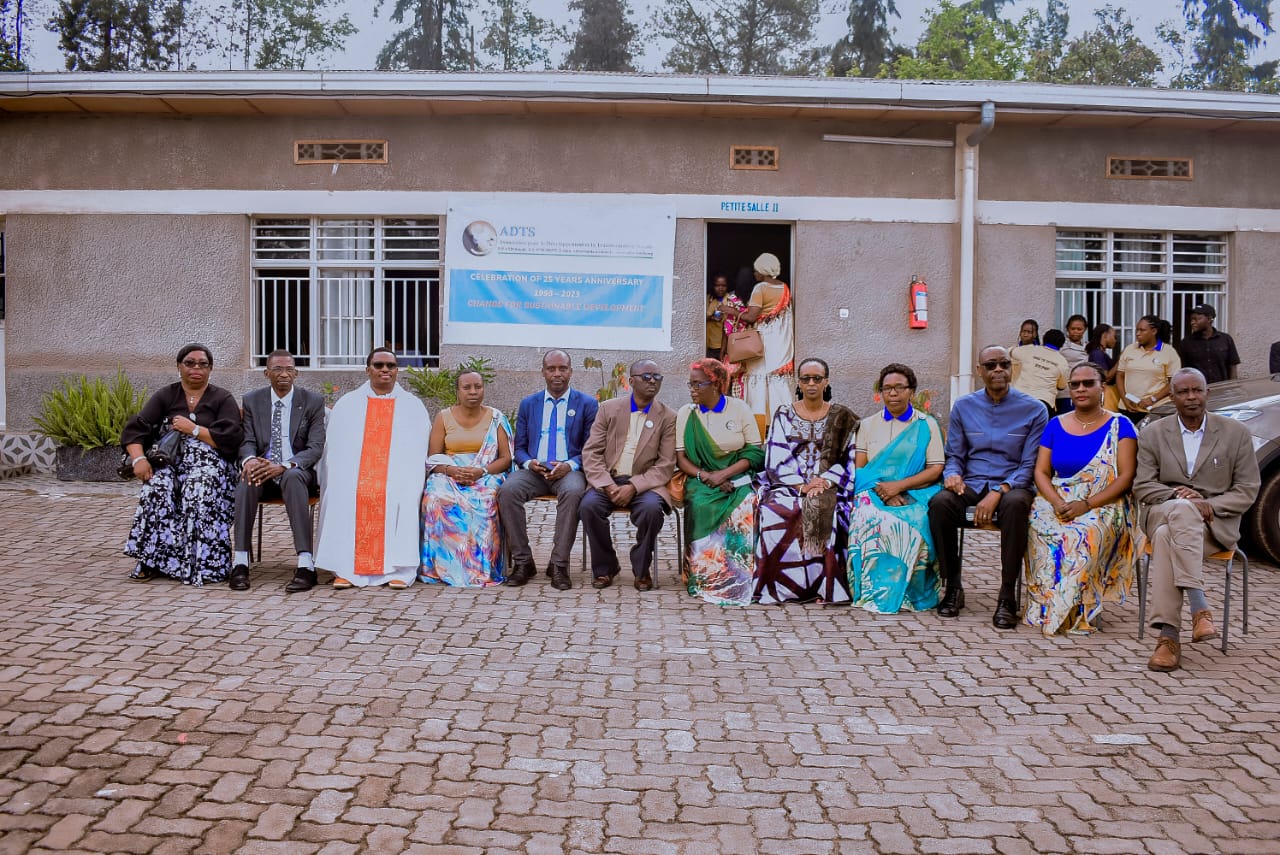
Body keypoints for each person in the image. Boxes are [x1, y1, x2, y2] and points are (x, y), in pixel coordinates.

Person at [1134, 368, 1260, 672]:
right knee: (1179, 510)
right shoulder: (1153, 433)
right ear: (1173, 396)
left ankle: (1168, 639)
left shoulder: (1235, 433)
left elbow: (1247, 489)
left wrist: (1209, 505)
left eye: (1197, 390)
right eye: (1184, 392)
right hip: (1164, 508)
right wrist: (1178, 496)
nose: (1192, 397)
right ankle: (1199, 607)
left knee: (1165, 537)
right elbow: (1142, 486)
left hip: (1213, 525)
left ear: (1207, 393)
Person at [928, 346, 1047, 627]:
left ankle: (1007, 596)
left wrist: (1000, 490)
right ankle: (953, 587)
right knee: (939, 504)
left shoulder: (1034, 409)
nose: (997, 370)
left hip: (1013, 484)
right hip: (972, 481)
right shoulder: (964, 406)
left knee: (1017, 505)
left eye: (1003, 364)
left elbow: (1030, 464)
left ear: (1012, 368)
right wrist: (953, 474)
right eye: (990, 365)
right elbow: (955, 455)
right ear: (980, 371)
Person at [1025, 362, 1140, 636]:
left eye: (1088, 383)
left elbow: (1126, 477)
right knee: (1039, 529)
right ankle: (1047, 606)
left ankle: (1077, 611)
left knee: (1083, 534)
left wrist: (1086, 504)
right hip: (1058, 499)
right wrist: (1056, 502)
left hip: (1104, 502)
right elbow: (1041, 472)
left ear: (1102, 387)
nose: (1080, 389)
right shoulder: (1055, 424)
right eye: (1075, 384)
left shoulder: (1120, 425)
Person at [122, 343, 244, 586]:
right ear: (179, 367)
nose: (196, 368)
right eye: (189, 363)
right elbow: (136, 429)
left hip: (211, 466)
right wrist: (138, 459)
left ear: (210, 369)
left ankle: (203, 564)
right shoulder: (166, 395)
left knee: (198, 489)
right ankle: (151, 560)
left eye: (203, 364)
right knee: (156, 488)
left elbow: (231, 440)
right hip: (168, 463)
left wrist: (195, 430)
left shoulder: (222, 398)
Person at [314, 348, 430, 590]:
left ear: (397, 371)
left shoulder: (412, 406)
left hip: (398, 476)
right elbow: (335, 451)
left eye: (390, 366)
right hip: (355, 476)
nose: (385, 370)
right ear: (368, 370)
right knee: (343, 495)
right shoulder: (348, 404)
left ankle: (400, 568)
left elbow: (417, 450)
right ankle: (346, 568)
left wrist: (399, 478)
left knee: (402, 496)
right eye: (379, 365)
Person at [755, 358, 859, 605]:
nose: (811, 383)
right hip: (788, 485)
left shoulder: (842, 417)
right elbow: (775, 455)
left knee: (830, 513)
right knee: (774, 512)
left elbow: (849, 459)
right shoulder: (783, 414)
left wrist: (824, 482)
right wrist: (801, 486)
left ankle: (823, 587)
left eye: (817, 378)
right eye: (805, 378)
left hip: (829, 487)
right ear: (798, 382)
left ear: (827, 381)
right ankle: (782, 587)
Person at [498, 350, 598, 591]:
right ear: (543, 372)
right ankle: (523, 562)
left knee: (574, 492)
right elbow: (519, 447)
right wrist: (528, 463)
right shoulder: (529, 404)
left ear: (571, 372)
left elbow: (591, 447)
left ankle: (559, 564)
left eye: (562, 369)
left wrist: (570, 465)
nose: (557, 374)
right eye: (551, 369)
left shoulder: (587, 404)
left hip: (568, 470)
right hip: (535, 470)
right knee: (507, 491)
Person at [848, 363, 944, 614]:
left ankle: (910, 592)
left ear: (911, 391)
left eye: (899, 387)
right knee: (869, 517)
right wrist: (885, 492)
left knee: (911, 522)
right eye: (887, 388)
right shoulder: (867, 425)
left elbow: (935, 469)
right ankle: (871, 589)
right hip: (873, 490)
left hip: (917, 490)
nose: (893, 393)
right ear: (880, 392)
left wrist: (899, 487)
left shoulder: (926, 424)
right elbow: (861, 469)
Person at [230, 349, 327, 593]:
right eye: (277, 370)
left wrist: (284, 465)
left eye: (289, 370)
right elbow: (248, 440)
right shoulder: (253, 400)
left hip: (296, 469)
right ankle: (240, 561)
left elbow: (315, 447)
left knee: (293, 477)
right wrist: (250, 460)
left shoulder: (312, 401)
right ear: (266, 373)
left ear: (296, 373)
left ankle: (306, 565)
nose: (284, 374)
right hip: (264, 467)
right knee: (247, 478)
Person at [580, 360, 677, 591]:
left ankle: (642, 569)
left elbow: (665, 465)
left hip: (645, 485)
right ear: (631, 381)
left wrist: (633, 486)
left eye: (657, 377)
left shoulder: (667, 416)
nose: (652, 381)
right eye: (646, 376)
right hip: (609, 480)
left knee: (652, 510)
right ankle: (606, 567)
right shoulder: (608, 409)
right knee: (588, 506)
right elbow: (591, 452)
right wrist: (606, 484)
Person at [675, 358, 764, 606]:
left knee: (747, 505)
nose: (692, 390)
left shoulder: (739, 409)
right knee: (700, 504)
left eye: (697, 384)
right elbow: (681, 458)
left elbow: (756, 452)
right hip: (700, 478)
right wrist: (707, 476)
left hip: (737, 475)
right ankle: (704, 574)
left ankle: (738, 573)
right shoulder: (686, 413)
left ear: (715, 385)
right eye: (690, 385)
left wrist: (724, 475)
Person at [420, 370, 513, 587]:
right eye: (467, 387)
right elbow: (433, 458)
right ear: (458, 391)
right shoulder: (443, 417)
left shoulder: (496, 418)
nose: (473, 392)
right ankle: (440, 568)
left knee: (486, 499)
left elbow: (506, 458)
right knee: (434, 498)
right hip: (450, 472)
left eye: (478, 387)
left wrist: (481, 471)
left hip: (486, 473)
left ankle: (479, 568)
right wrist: (451, 471)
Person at [739, 252, 795, 436]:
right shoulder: (785, 288)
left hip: (764, 341)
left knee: (758, 380)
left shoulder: (760, 288)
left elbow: (751, 316)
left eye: (756, 270)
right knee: (776, 382)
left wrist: (731, 311)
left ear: (762, 270)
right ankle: (781, 428)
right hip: (780, 343)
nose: (754, 273)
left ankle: (758, 431)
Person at [1117, 314, 1181, 422]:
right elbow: (1120, 375)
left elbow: (1174, 382)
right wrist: (1124, 399)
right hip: (1127, 408)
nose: (1138, 334)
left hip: (1155, 409)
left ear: (1154, 331)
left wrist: (1152, 399)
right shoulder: (1130, 349)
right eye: (1137, 330)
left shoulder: (1169, 352)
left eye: (1142, 330)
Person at [1176, 303, 1239, 386]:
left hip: (1222, 390)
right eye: (1191, 319)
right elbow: (1183, 370)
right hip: (1198, 391)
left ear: (1209, 319)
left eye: (1196, 319)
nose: (1192, 322)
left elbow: (1232, 366)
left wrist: (1232, 387)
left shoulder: (1226, 339)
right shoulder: (1186, 342)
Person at [1011, 328, 1069, 414]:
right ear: (1061, 345)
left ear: (1044, 339)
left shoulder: (1029, 349)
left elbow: (1008, 352)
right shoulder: (1062, 361)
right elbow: (1062, 386)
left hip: (1018, 398)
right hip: (1044, 403)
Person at [1057, 315, 1090, 412]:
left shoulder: (1087, 346)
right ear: (1067, 329)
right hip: (1065, 393)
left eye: (1079, 329)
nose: (1075, 332)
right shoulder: (1062, 346)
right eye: (1073, 329)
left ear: (1085, 330)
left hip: (1083, 391)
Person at [1087, 323, 1121, 410]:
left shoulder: (1100, 353)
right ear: (1105, 335)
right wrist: (1121, 361)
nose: (1115, 340)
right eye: (1114, 337)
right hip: (1105, 397)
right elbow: (1106, 377)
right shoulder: (1097, 354)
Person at [705, 275, 735, 360]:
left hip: (722, 345)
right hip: (707, 343)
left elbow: (729, 327)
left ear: (727, 286)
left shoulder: (730, 301)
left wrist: (722, 351)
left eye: (723, 286)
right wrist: (711, 317)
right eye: (717, 285)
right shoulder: (708, 298)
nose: (720, 288)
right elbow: (699, 317)